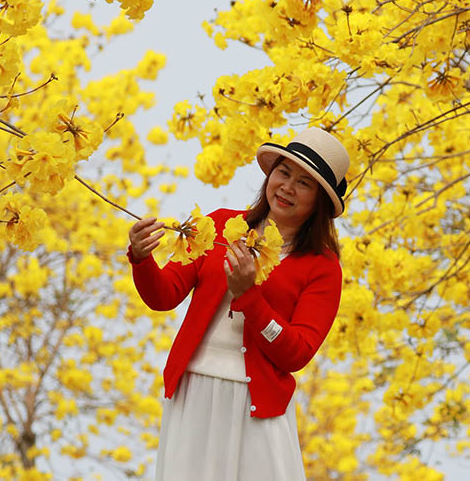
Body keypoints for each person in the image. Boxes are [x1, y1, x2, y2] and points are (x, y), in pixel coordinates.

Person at [127, 128, 350, 481]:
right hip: (193, 393)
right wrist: (141, 260)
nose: (287, 187)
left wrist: (249, 297)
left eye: (304, 183)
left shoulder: (322, 267)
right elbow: (164, 295)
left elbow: (298, 353)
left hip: (259, 406)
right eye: (284, 172)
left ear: (320, 201)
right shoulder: (217, 225)